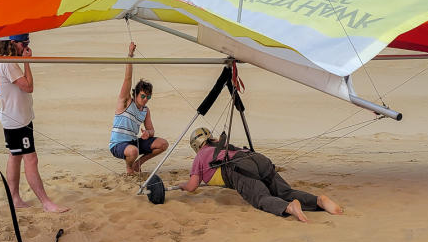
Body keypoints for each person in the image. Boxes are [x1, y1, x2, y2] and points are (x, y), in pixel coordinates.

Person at [178, 127, 343, 222]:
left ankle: (289, 207)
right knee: (285, 192)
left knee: (261, 198)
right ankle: (318, 201)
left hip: (239, 168)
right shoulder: (225, 146)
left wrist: (182, 186)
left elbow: (193, 186)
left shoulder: (200, 156)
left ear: (196, 145)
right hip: (257, 158)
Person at [0, 34, 68, 213]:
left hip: (13, 118)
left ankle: (15, 197)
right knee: (31, 159)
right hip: (17, 121)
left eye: (28, 43)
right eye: (23, 44)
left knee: (15, 156)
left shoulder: (0, 61)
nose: (26, 47)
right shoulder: (8, 63)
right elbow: (28, 87)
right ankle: (46, 203)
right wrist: (27, 61)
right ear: (12, 44)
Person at [109, 41, 169, 174]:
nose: (145, 100)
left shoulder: (145, 111)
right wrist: (130, 54)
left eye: (148, 97)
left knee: (163, 144)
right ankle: (129, 168)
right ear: (136, 94)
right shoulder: (125, 101)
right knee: (133, 151)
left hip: (133, 142)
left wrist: (149, 133)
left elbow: (151, 130)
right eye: (143, 96)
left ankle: (138, 164)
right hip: (118, 145)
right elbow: (127, 78)